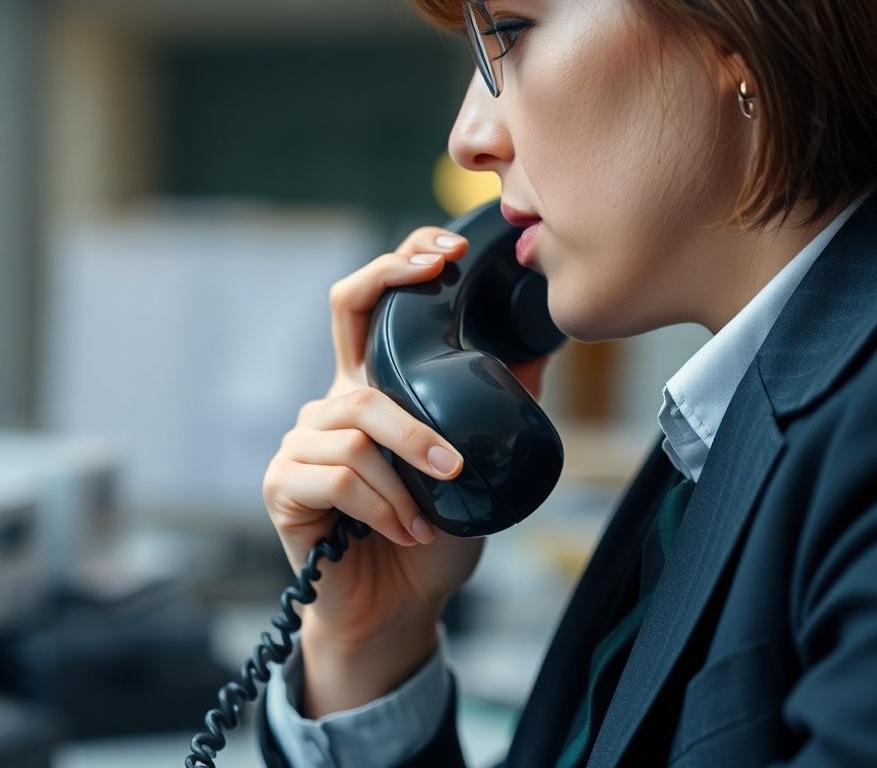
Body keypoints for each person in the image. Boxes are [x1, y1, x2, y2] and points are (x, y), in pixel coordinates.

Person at [256, 0, 877, 765]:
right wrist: (369, 648)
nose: (468, 140)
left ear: (735, 33)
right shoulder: (719, 433)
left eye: (509, 35)